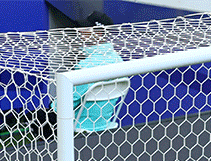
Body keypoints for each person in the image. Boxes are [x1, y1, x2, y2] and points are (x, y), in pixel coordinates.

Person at [2, 11, 124, 140]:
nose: (81, 32)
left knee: (38, 116)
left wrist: (53, 106)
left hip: (78, 122)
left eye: (86, 29)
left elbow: (67, 102)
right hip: (104, 121)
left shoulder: (86, 66)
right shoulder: (119, 61)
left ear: (99, 33)